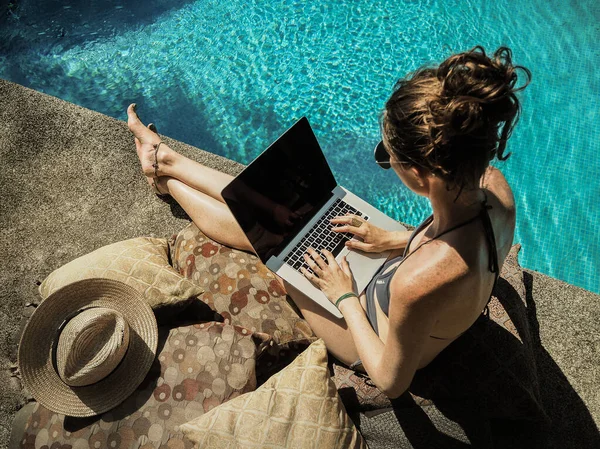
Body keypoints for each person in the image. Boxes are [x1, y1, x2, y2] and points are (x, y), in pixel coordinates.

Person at [127, 45, 531, 399]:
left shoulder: (418, 282)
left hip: (374, 335)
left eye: (387, 157)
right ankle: (168, 161)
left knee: (276, 245)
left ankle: (165, 180)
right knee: (298, 219)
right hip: (404, 285)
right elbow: (452, 249)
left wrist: (344, 296)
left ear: (422, 174)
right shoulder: (494, 190)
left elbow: (392, 381)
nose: (386, 164)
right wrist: (395, 239)